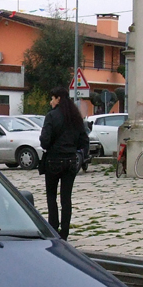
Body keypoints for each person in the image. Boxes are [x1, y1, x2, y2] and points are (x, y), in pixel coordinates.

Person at [39, 86, 90, 240]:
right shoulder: (75, 117)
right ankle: (65, 231)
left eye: (52, 98)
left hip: (54, 160)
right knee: (66, 198)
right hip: (71, 161)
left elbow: (44, 141)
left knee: (51, 195)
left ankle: (53, 228)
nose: (50, 102)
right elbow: (84, 141)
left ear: (58, 99)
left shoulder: (51, 116)